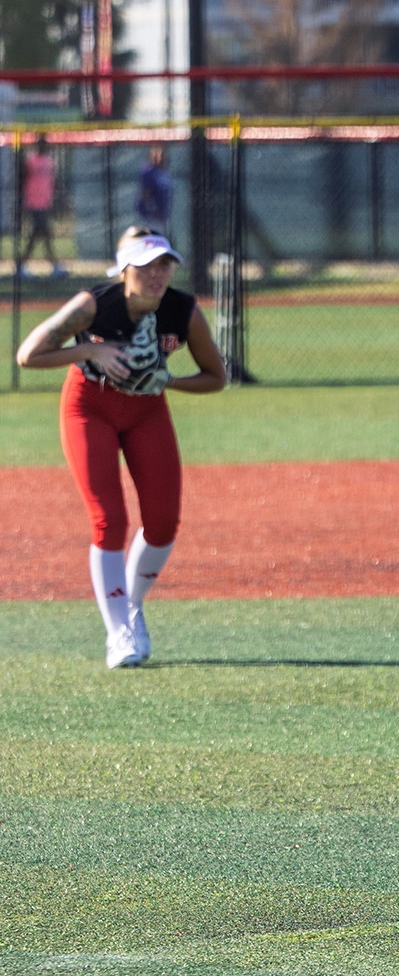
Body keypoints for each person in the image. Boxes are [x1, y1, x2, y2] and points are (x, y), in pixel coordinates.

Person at [14, 226, 228, 668]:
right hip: (89, 407)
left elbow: (216, 377)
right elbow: (28, 354)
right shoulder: (94, 303)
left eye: (165, 264)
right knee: (109, 518)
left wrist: (168, 380)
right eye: (147, 265)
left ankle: (132, 605)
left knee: (164, 523)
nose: (158, 274)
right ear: (124, 269)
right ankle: (119, 634)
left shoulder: (182, 309)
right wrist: (91, 352)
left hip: (147, 409)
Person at [19, 134, 65, 279]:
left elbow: (54, 183)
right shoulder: (30, 161)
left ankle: (22, 265)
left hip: (46, 203)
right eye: (41, 145)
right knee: (41, 232)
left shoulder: (50, 162)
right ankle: (53, 265)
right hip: (33, 202)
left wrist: (58, 201)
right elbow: (22, 181)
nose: (43, 148)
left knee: (41, 234)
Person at [137, 144, 173, 228]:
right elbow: (145, 193)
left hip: (162, 217)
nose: (161, 157)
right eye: (157, 153)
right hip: (151, 218)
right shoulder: (149, 172)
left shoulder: (164, 172)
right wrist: (150, 210)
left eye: (162, 154)